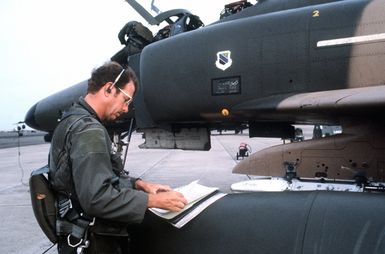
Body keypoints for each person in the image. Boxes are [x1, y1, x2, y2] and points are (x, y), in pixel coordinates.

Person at [48, 61, 187, 254]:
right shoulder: (89, 131)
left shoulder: (71, 121)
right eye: (126, 100)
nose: (126, 109)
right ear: (109, 89)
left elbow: (96, 180)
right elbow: (97, 198)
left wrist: (139, 184)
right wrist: (152, 201)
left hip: (78, 237)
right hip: (95, 242)